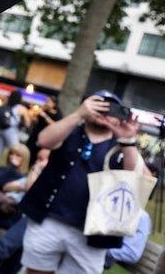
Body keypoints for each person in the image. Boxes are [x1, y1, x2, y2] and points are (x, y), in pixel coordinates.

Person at [18, 90, 148, 274]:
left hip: (94, 235)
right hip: (49, 221)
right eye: (99, 106)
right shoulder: (69, 130)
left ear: (119, 116)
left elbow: (137, 179)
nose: (105, 113)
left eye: (111, 109)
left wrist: (128, 141)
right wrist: (78, 114)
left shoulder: (122, 146)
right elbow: (44, 140)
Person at [0, 202, 149, 274]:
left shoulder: (141, 217)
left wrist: (99, 244)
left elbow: (132, 253)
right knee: (36, 228)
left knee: (35, 229)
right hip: (74, 239)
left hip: (98, 251)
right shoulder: (108, 199)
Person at [0, 90, 28, 165]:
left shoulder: (6, 104)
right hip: (11, 130)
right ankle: (12, 167)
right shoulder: (20, 108)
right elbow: (27, 123)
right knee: (15, 151)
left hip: (1, 129)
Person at [27, 96, 61, 164]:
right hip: (35, 135)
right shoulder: (43, 110)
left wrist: (45, 116)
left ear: (54, 104)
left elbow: (55, 125)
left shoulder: (57, 114)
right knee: (29, 151)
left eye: (48, 101)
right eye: (46, 101)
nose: (46, 103)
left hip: (45, 137)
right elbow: (35, 121)